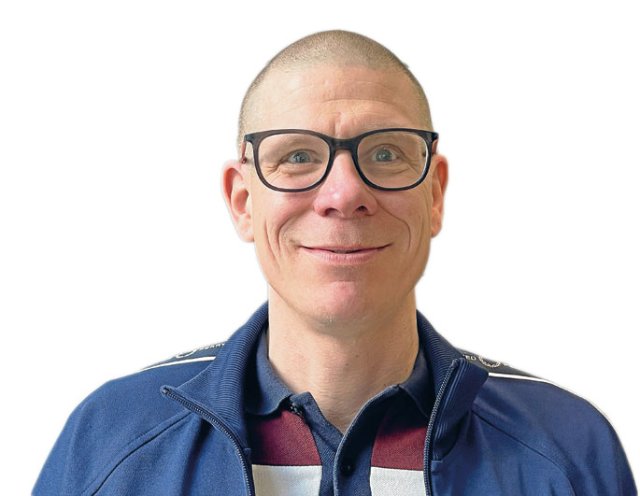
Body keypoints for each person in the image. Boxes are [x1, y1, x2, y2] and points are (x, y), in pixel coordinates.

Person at [34, 30, 636, 496]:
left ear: (434, 196)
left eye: (385, 153)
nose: (344, 194)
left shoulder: (568, 449)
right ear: (243, 203)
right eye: (298, 156)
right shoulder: (109, 442)